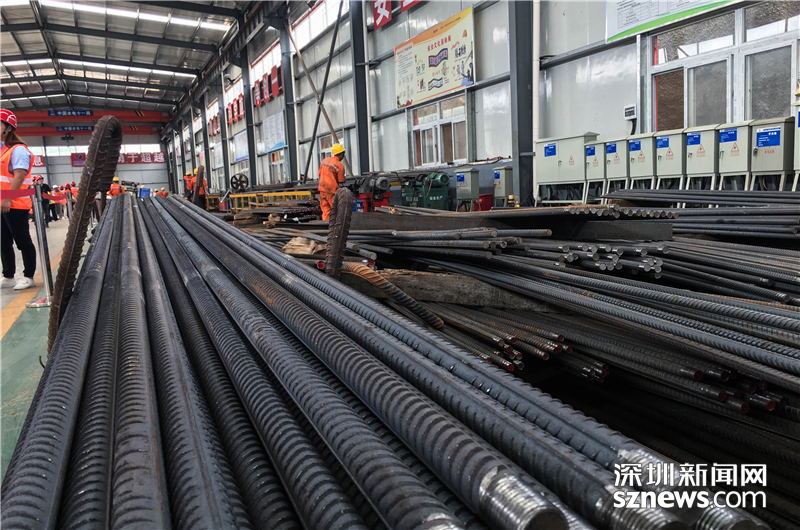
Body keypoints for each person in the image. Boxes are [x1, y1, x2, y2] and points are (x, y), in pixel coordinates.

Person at [1, 109, 37, 290]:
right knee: (3, 242)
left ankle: (29, 276)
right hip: (3, 203)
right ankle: (8, 276)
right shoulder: (3, 150)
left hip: (15, 203)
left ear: (8, 128)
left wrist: (8, 199)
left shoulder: (19, 150)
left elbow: (19, 176)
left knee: (22, 241)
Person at [317, 143, 346, 220]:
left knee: (326, 212)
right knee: (336, 211)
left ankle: (326, 226)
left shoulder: (324, 161)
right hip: (332, 191)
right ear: (341, 154)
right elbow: (341, 180)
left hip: (322, 190)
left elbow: (319, 173)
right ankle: (336, 227)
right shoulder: (339, 165)